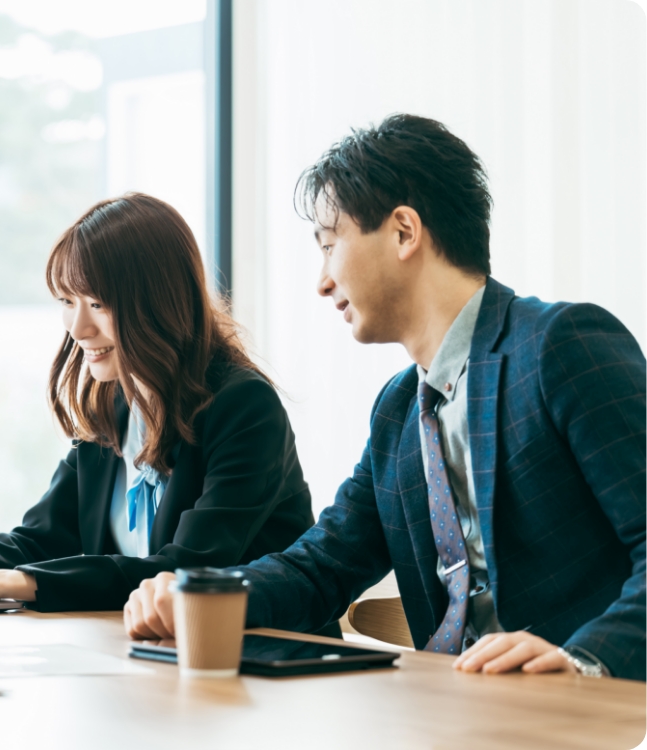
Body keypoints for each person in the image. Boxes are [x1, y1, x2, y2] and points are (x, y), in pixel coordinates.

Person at [122, 114, 646, 681]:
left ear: (403, 231)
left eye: (329, 245)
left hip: (582, 714)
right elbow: (324, 564)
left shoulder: (558, 347)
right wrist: (201, 593)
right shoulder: (400, 409)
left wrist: (583, 660)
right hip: (449, 709)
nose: (322, 281)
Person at [0, 193, 335, 629]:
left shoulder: (243, 407)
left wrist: (14, 583)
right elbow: (40, 539)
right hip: (151, 659)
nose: (78, 327)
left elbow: (184, 571)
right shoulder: (115, 405)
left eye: (98, 303)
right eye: (67, 301)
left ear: (159, 304)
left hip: (266, 662)